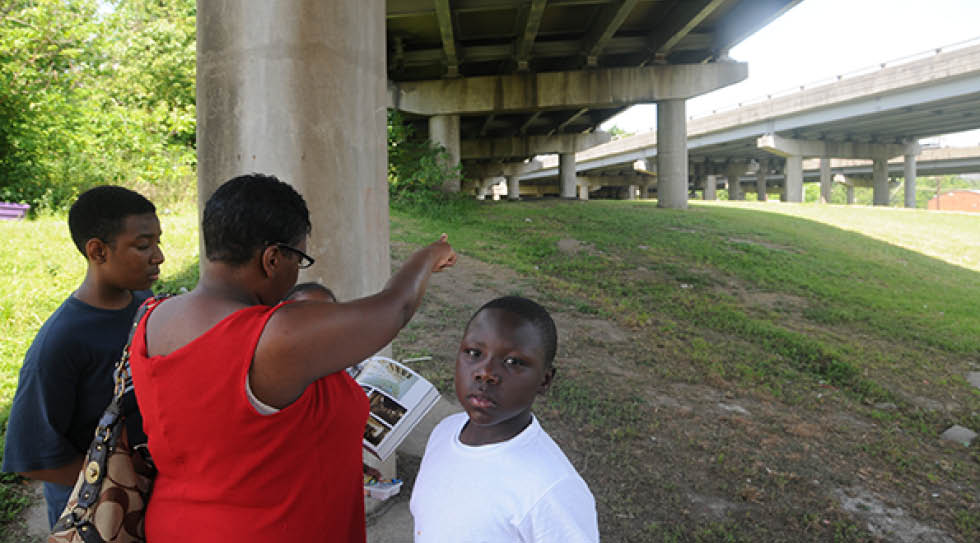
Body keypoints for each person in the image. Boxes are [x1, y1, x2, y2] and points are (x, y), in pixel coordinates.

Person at [128, 173, 455, 541]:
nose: (296, 272)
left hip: (175, 525)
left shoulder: (151, 320)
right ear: (271, 259)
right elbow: (394, 308)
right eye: (297, 259)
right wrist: (428, 256)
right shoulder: (268, 337)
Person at [2, 186, 164, 528]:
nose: (159, 256)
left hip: (148, 501)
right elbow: (31, 458)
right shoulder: (60, 342)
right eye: (143, 245)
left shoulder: (144, 302)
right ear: (98, 251)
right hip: (94, 519)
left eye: (157, 242)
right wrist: (118, 480)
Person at [410, 296, 599, 542]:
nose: (485, 373)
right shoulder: (444, 432)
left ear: (544, 380)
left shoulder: (551, 489)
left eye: (513, 362)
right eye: (474, 353)